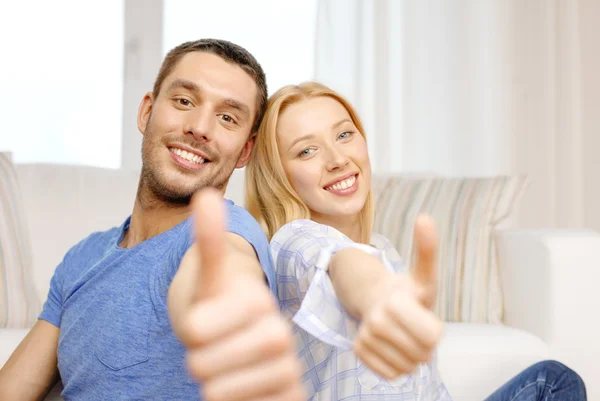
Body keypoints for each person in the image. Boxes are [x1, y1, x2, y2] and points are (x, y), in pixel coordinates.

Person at [0, 39, 304, 401]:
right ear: (146, 112)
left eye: (227, 118)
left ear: (246, 151)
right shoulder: (82, 257)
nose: (200, 127)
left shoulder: (227, 231)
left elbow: (222, 270)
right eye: (185, 101)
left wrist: (231, 305)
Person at [244, 81, 587, 401]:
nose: (337, 160)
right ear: (280, 178)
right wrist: (376, 295)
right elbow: (337, 261)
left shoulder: (383, 249)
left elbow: (427, 387)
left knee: (553, 380)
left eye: (344, 135)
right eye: (307, 151)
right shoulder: (291, 242)